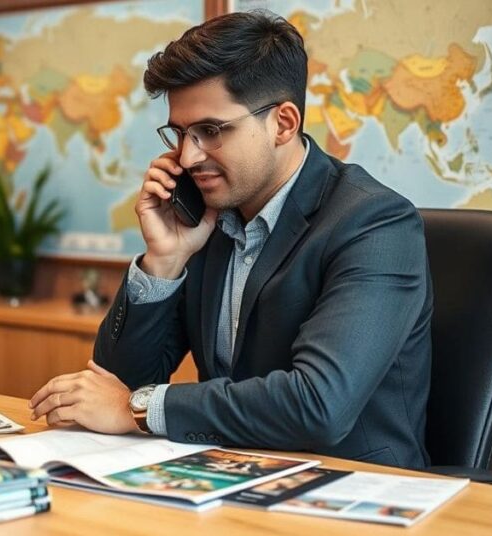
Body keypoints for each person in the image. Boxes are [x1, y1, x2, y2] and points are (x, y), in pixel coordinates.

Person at [28, 10, 432, 469]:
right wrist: (164, 261)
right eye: (180, 133)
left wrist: (137, 408)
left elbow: (318, 405)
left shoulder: (374, 224)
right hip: (227, 473)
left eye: (210, 131)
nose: (187, 156)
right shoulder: (207, 218)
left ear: (283, 123)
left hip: (351, 489)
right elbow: (116, 384)